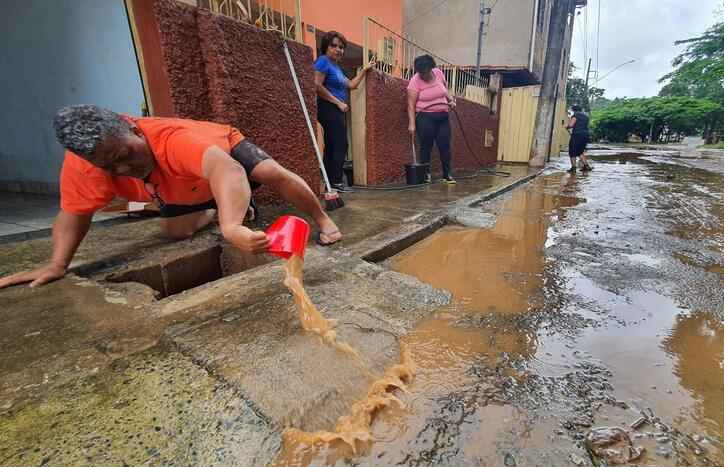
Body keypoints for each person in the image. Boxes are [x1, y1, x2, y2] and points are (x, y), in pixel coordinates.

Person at [0, 105, 342, 289]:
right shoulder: (86, 167)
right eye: (110, 166)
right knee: (175, 231)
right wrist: (58, 264)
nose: (123, 168)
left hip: (221, 152)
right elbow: (73, 213)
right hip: (181, 186)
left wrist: (232, 227)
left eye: (124, 154)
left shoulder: (171, 139)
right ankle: (218, 207)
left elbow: (229, 171)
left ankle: (323, 219)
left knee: (269, 172)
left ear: (132, 127)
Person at [314, 31, 373, 192]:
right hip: (328, 107)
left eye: (341, 47)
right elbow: (316, 85)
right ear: (326, 47)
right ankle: (336, 182)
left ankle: (329, 181)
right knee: (341, 144)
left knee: (333, 145)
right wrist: (338, 102)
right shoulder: (323, 61)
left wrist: (364, 70)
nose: (338, 49)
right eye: (334, 45)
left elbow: (352, 85)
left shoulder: (336, 67)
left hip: (336, 108)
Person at [407, 54, 457, 184]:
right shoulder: (415, 81)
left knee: (445, 145)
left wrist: (451, 101)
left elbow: (445, 91)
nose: (424, 75)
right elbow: (410, 105)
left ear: (431, 68)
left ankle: (447, 174)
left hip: (443, 116)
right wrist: (412, 123)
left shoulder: (438, 73)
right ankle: (426, 174)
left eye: (426, 71)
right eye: (421, 72)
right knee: (426, 146)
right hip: (425, 117)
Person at [566, 104, 591, 172]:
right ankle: (586, 166)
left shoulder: (575, 115)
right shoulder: (586, 116)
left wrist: (567, 126)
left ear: (574, 110)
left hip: (577, 135)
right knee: (580, 151)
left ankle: (573, 168)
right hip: (585, 135)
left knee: (572, 151)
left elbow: (571, 125)